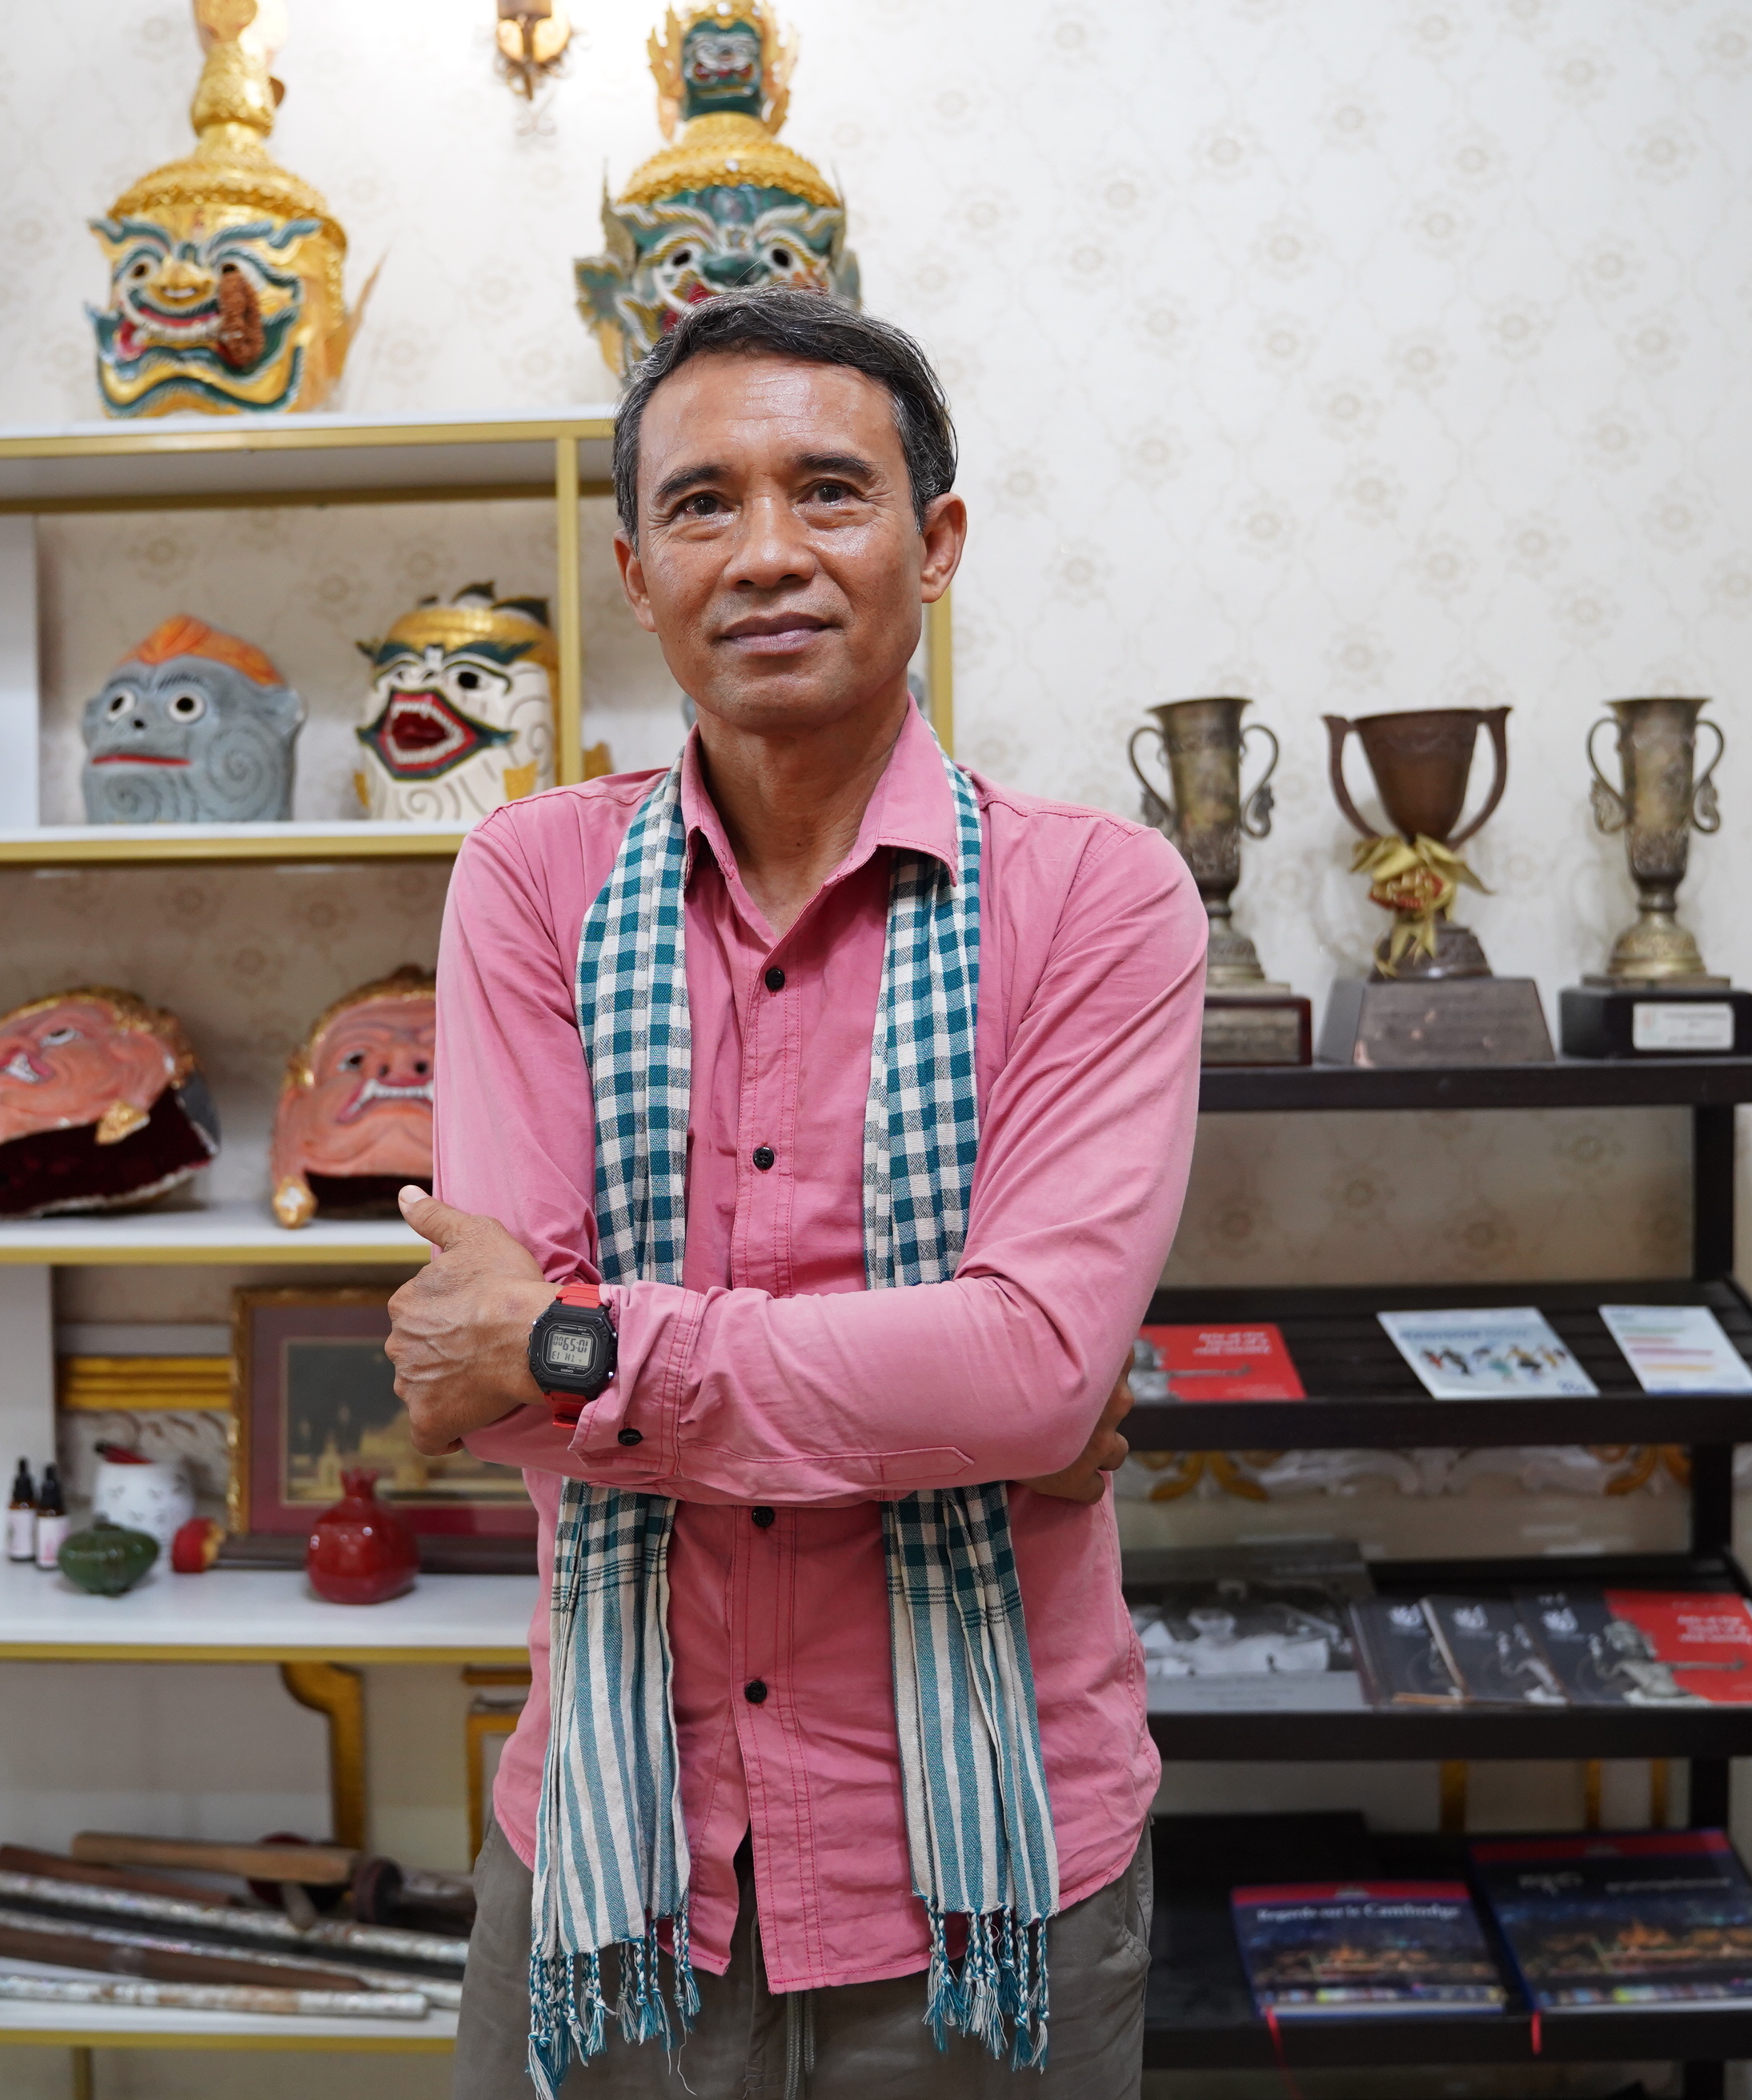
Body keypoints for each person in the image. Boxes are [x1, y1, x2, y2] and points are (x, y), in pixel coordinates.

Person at [383, 288, 1204, 2100]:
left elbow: (1029, 1372)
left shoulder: (1100, 897)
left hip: (991, 1873)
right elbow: (473, 1375)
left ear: (937, 540)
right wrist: (942, 1395)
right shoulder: (531, 879)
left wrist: (580, 1339)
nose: (766, 551)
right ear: (634, 570)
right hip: (614, 1855)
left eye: (828, 490)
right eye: (702, 503)